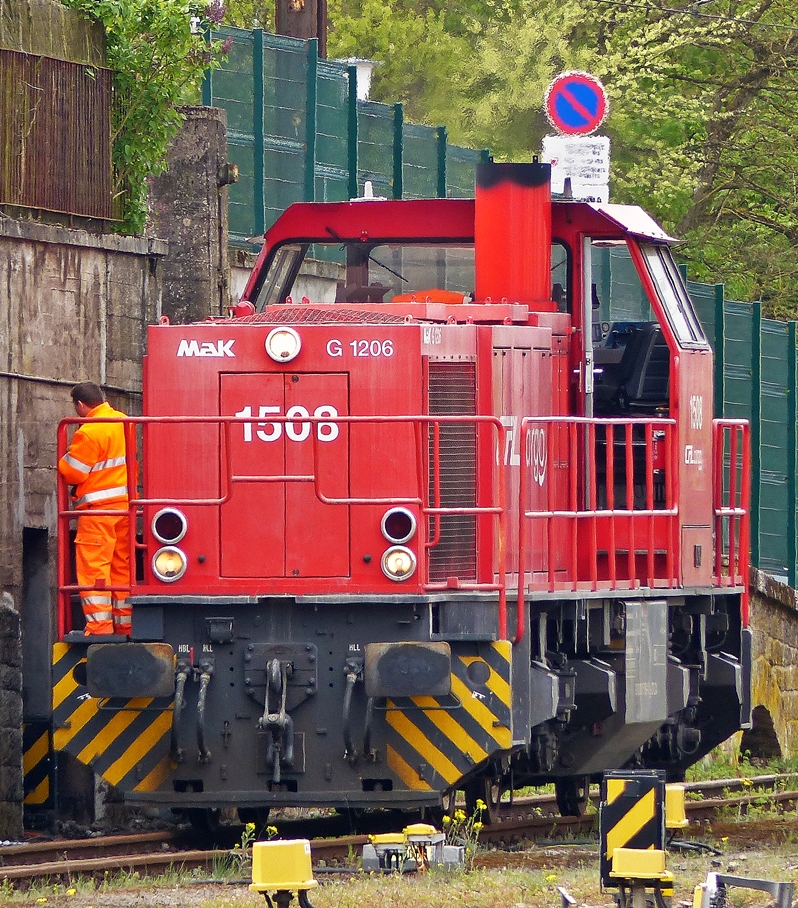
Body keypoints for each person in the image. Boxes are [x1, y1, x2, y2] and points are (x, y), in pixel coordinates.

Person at [58, 382, 134, 636]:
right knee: (121, 567)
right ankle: (125, 626)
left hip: (97, 510)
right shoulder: (124, 422)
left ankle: (100, 627)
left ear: (80, 405)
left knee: (94, 568)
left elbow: (74, 472)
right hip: (124, 507)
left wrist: (62, 461)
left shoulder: (89, 431)